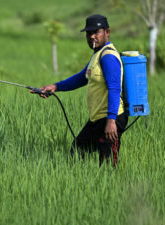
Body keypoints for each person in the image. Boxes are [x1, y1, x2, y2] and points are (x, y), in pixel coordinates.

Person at [33, 14, 128, 167]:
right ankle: (83, 183)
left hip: (112, 118)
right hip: (98, 118)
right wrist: (55, 86)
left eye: (96, 32)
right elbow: (82, 78)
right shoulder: (97, 54)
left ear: (107, 32)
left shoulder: (108, 57)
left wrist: (111, 121)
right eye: (88, 33)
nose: (92, 36)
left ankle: (110, 186)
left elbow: (114, 89)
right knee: (77, 152)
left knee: (107, 163)